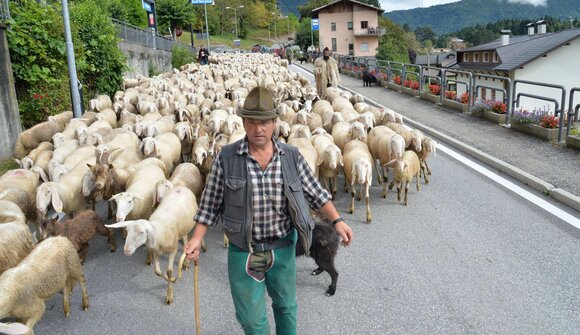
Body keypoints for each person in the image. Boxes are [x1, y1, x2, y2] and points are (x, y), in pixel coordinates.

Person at [185, 86, 353, 335]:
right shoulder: (227, 158)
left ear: (275, 122)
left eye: (264, 122)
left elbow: (316, 193)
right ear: (243, 122)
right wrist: (197, 238)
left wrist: (337, 220)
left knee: (286, 307)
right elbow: (210, 203)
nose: (258, 128)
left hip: (283, 248)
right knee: (251, 320)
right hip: (245, 251)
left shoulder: (291, 157)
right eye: (252, 122)